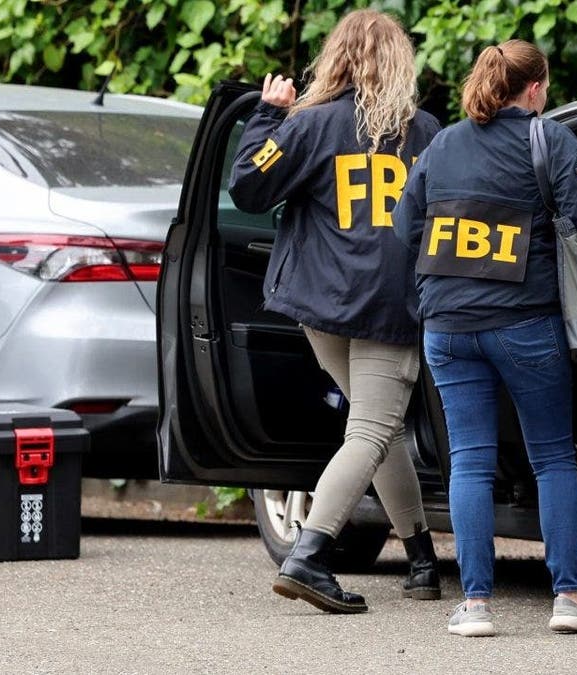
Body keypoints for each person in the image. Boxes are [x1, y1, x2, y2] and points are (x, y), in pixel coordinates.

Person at [392, 39, 577, 637]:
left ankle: (475, 605)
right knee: (550, 455)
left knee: (468, 458)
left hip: (447, 325)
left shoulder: (442, 145)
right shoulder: (552, 141)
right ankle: (569, 597)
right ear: (536, 88)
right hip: (526, 323)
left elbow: (402, 226)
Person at [227, 9, 442, 614]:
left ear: (337, 57)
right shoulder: (425, 132)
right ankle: (310, 555)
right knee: (373, 428)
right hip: (389, 305)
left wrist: (268, 113)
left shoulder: (309, 125)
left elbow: (246, 185)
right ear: (400, 61)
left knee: (380, 428)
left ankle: (421, 556)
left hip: (321, 308)